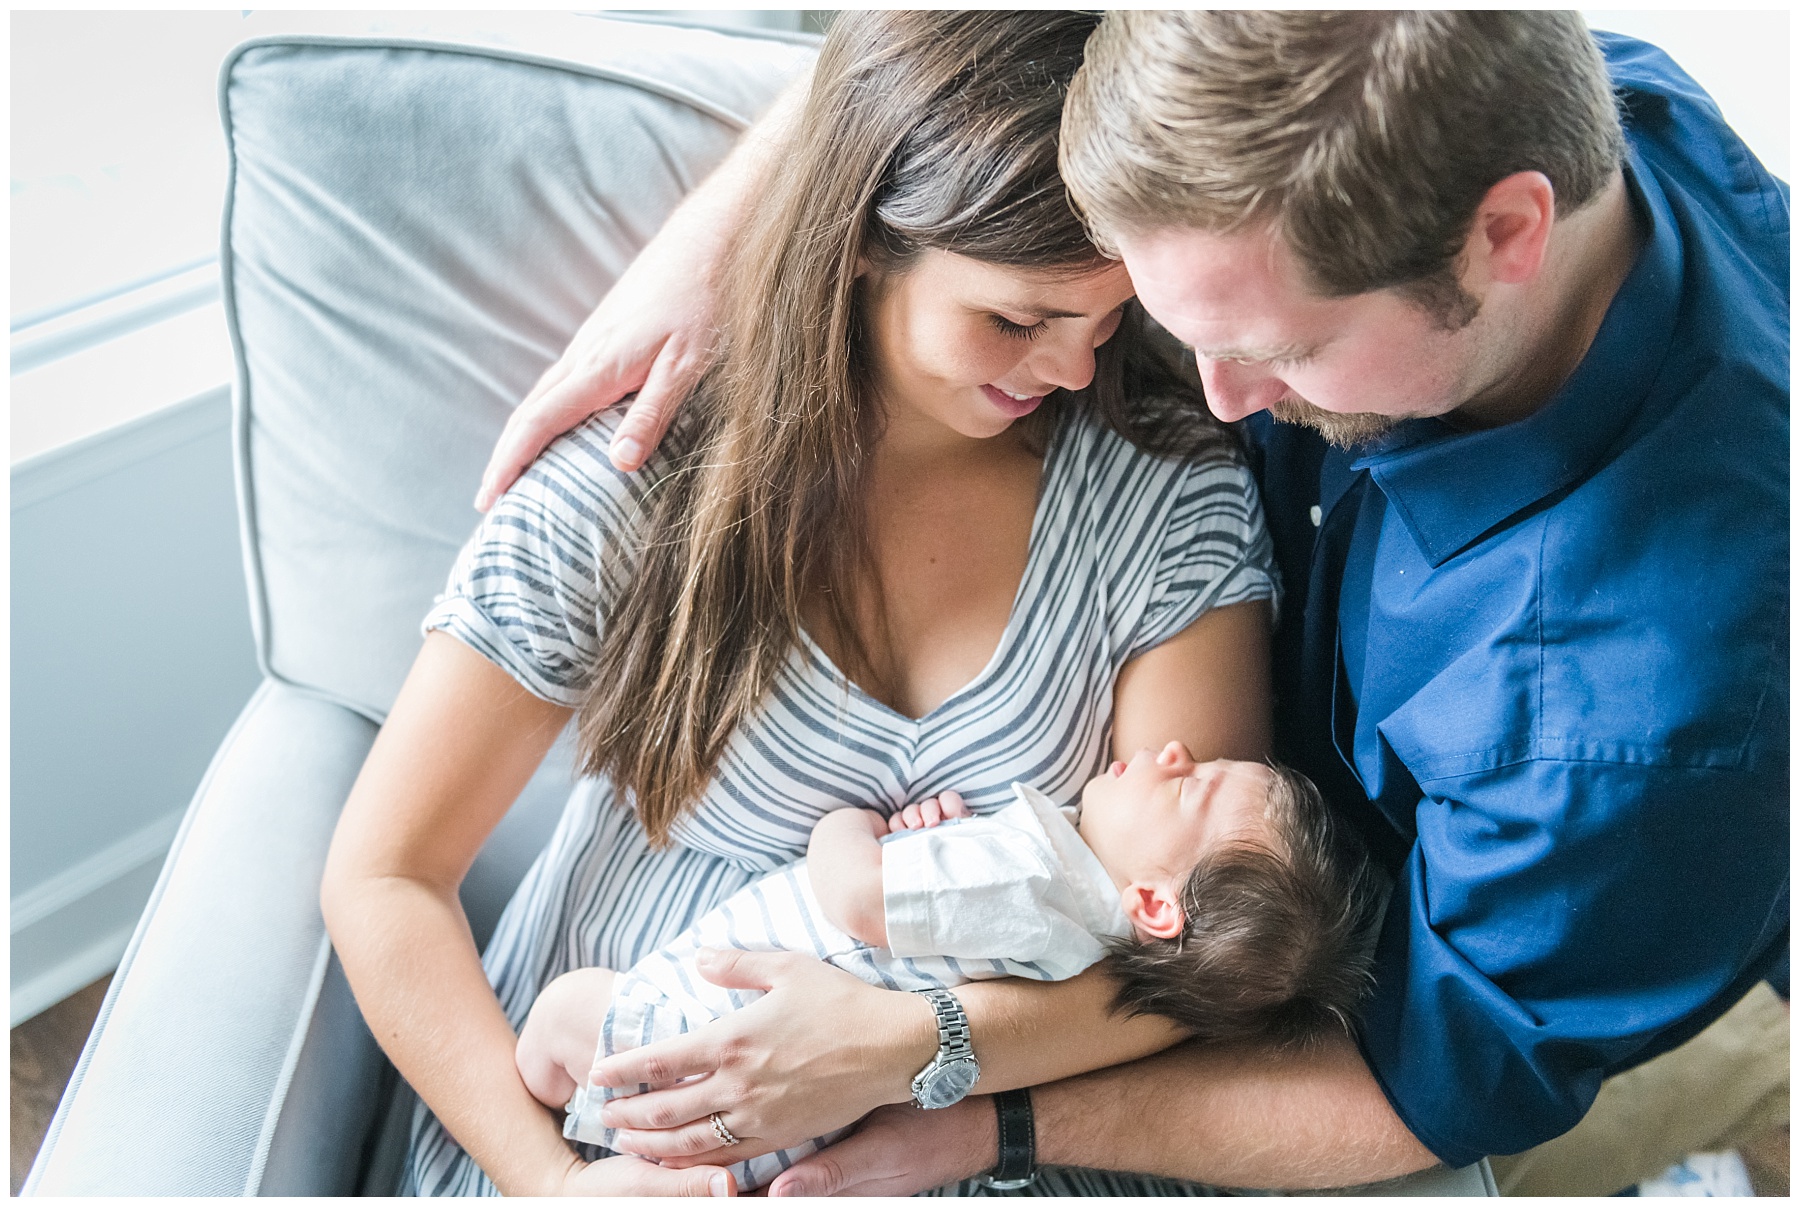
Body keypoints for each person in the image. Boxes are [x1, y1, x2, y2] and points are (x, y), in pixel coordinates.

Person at [479, 10, 1787, 1197]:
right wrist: (728, 251)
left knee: (1713, 1076)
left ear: (1509, 234)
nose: (1209, 398)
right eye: (1163, 319)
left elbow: (1415, 1091)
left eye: (1278, 347)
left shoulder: (1628, 725)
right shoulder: (1435, 85)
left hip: (1531, 938)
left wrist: (971, 1112)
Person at [322, 10, 1282, 1198]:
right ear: (867, 240)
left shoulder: (1162, 492)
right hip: (608, 1127)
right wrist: (555, 1183)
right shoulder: (646, 484)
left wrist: (897, 1051)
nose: (1075, 371)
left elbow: (1201, 947)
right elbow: (384, 876)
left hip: (991, 1135)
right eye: (1019, 319)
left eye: (1109, 320)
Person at [520, 749, 1385, 1191]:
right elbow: (938, 928)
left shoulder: (1033, 869)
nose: (1171, 752)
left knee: (559, 1021)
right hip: (774, 1131)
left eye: (1189, 784)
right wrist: (932, 840)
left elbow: (860, 896)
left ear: (1157, 906)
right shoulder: (1072, 945)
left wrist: (850, 827)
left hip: (702, 1028)